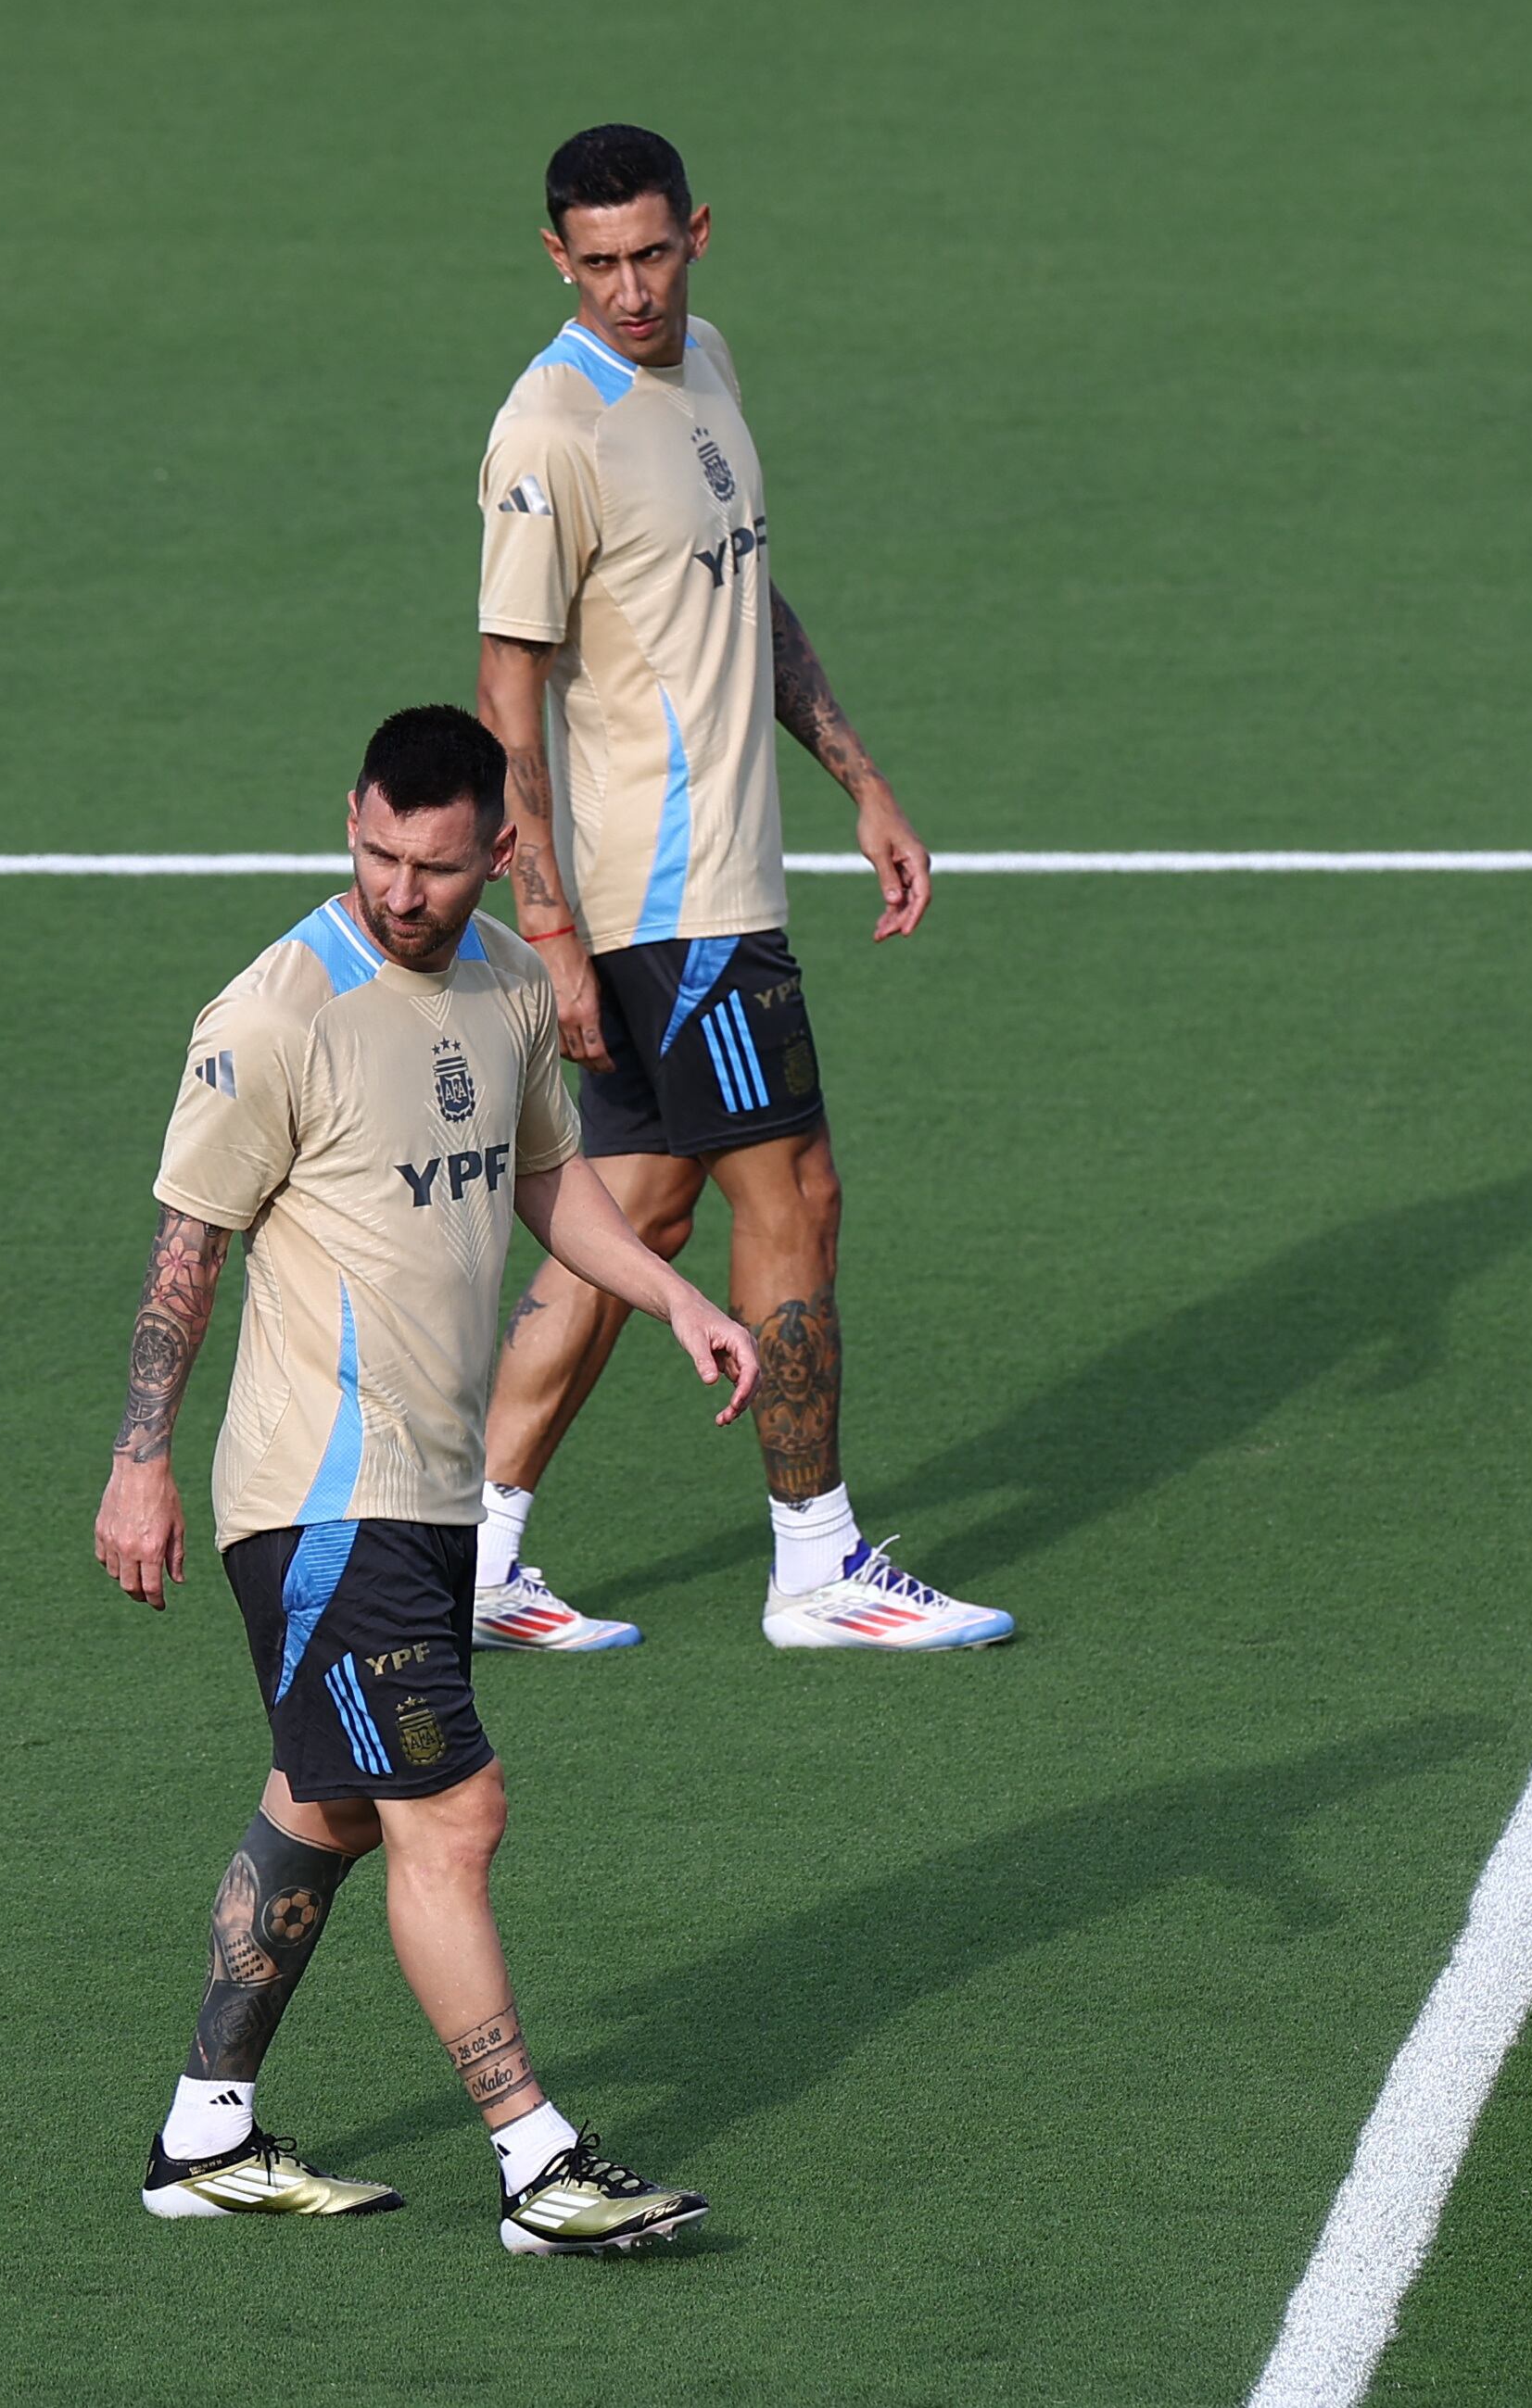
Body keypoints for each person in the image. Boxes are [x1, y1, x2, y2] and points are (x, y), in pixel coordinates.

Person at [93, 704, 760, 2250]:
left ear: (498, 853)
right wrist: (141, 1462)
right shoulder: (273, 1014)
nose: (403, 890)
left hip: (425, 1489)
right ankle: (537, 2163)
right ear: (352, 823)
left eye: (438, 866)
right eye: (380, 854)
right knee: (449, 1812)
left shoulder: (510, 984)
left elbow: (542, 1180)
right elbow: (187, 1246)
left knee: (326, 1805)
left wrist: (675, 1295)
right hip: (325, 1490)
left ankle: (204, 2137)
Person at [466, 124, 1016, 1655]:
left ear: (695, 231)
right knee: (798, 1195)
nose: (632, 288)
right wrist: (555, 925)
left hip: (721, 885)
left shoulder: (701, 358)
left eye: (652, 253)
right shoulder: (546, 432)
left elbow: (741, 595)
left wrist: (862, 779)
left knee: (629, 1210)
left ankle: (476, 1552)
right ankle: (815, 1563)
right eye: (599, 264)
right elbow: (507, 694)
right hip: (667, 905)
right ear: (554, 259)